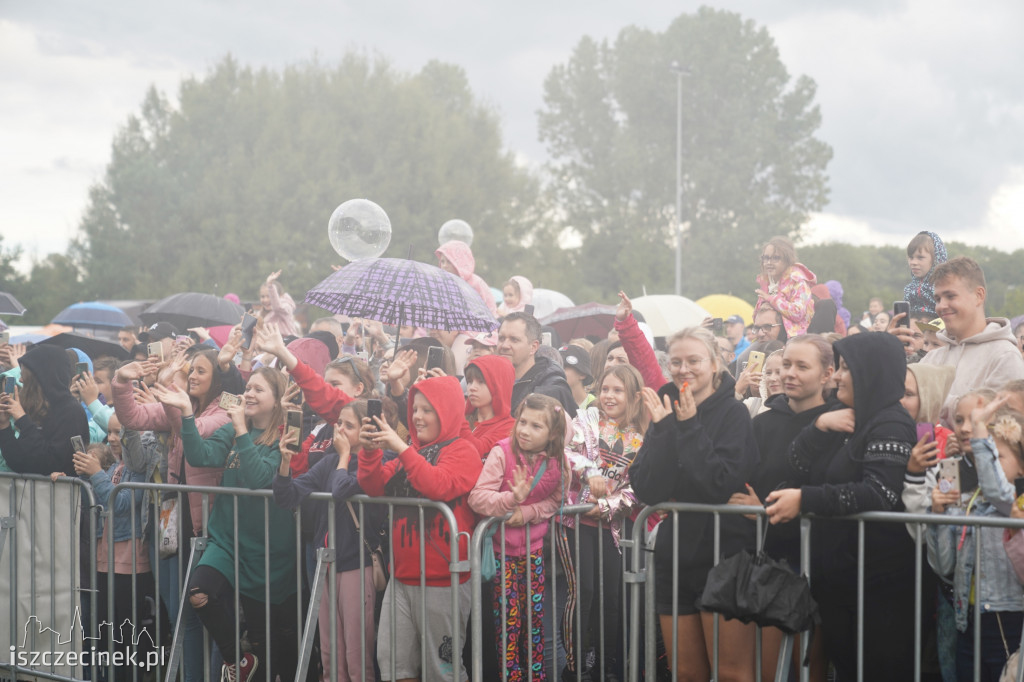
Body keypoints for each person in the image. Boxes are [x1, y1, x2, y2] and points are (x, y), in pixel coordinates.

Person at [766, 333, 918, 680]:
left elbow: (880, 493)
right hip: (839, 580)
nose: (836, 377)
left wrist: (806, 499)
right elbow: (794, 466)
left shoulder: (890, 422)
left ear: (870, 372)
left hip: (880, 584)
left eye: (846, 369)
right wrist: (817, 427)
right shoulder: (841, 413)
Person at [629, 326, 759, 682]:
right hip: (677, 556)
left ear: (716, 364)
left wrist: (687, 428)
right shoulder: (666, 409)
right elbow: (647, 488)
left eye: (694, 360)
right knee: (685, 672)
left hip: (726, 554)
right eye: (676, 362)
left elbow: (718, 484)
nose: (683, 369)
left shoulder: (733, 414)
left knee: (732, 673)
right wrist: (665, 432)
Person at [153, 369, 299, 682]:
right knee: (198, 592)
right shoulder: (235, 429)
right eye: (248, 387)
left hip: (267, 551)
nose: (249, 393)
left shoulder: (285, 436)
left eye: (259, 389)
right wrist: (188, 414)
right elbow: (199, 455)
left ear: (276, 401)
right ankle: (236, 660)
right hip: (227, 540)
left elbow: (261, 479)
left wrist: (242, 431)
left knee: (273, 646)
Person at [357, 374, 482, 682]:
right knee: (394, 667)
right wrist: (370, 450)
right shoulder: (409, 451)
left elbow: (439, 486)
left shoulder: (463, 450)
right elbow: (373, 486)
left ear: (448, 411)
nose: (417, 416)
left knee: (443, 672)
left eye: (428, 409)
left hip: (444, 579)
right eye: (415, 409)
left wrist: (402, 447)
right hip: (401, 577)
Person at [727, 335, 836, 682]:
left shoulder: (841, 422)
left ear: (827, 373)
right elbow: (744, 483)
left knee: (811, 666)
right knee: (772, 669)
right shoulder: (762, 423)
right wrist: (758, 507)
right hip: (772, 557)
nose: (789, 373)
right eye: (787, 364)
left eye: (802, 366)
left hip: (824, 560)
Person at [273, 399, 380, 682]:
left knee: (357, 657)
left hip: (356, 563)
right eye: (338, 424)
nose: (340, 430)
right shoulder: (329, 461)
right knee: (330, 655)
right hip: (325, 563)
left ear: (366, 430)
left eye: (349, 425)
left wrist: (344, 457)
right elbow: (287, 496)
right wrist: (285, 463)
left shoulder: (375, 460)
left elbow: (341, 489)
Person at [468, 394, 566, 682]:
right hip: (502, 556)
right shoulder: (502, 452)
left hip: (535, 554)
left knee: (534, 625)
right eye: (522, 421)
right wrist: (511, 499)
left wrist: (528, 512)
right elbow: (477, 497)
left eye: (536, 426)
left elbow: (557, 500)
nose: (525, 430)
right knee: (508, 628)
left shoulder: (558, 461)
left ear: (553, 434)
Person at [558, 364, 646, 682]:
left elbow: (641, 486)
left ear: (633, 396)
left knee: (611, 597)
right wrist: (591, 474)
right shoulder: (588, 419)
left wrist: (608, 506)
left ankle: (606, 664)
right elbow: (564, 452)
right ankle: (575, 662)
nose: (609, 396)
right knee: (583, 594)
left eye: (617, 390)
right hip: (576, 521)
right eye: (605, 389)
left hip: (613, 526)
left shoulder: (643, 434)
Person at [928, 398, 1024, 680]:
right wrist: (939, 514)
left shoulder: (1015, 506)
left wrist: (981, 429)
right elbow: (943, 565)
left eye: (997, 457)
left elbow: (998, 491)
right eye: (986, 456)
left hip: (1005, 618)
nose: (987, 466)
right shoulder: (970, 503)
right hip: (966, 619)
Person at [73, 414, 157, 682]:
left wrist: (96, 474)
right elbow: (96, 498)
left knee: (126, 635)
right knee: (107, 635)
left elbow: (119, 504)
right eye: (109, 432)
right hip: (103, 561)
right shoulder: (113, 467)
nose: (111, 439)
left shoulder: (137, 467)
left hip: (130, 564)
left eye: (118, 432)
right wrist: (73, 479)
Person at [896, 257, 1024, 426]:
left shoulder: (1004, 356)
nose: (941, 306)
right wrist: (889, 349)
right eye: (938, 299)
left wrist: (931, 400)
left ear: (979, 296)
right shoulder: (931, 358)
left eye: (950, 296)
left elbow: (1001, 428)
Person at [0, 344, 88, 475]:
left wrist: (22, 420)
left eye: (25, 375)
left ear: (42, 378)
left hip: (60, 493)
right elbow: (18, 462)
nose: (20, 380)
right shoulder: (39, 408)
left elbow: (49, 463)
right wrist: (4, 426)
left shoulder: (71, 412)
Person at [498, 312, 576, 416]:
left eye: (514, 340)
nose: (504, 345)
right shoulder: (487, 381)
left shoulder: (550, 389)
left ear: (533, 347)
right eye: (501, 338)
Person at [754, 236, 816, 337]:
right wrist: (763, 306)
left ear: (787, 260)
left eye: (776, 258)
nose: (769, 262)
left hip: (795, 339)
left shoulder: (799, 281)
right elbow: (756, 319)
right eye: (766, 258)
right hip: (767, 337)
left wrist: (771, 299)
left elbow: (798, 313)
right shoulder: (768, 282)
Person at [461, 354, 516, 459]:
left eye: (481, 382)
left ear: (499, 386)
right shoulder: (465, 419)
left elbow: (477, 450)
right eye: (470, 381)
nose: (472, 388)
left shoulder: (509, 427)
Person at [436, 240, 498, 317]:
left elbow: (487, 311)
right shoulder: (443, 284)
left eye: (449, 262)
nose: (445, 265)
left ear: (461, 262)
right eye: (442, 262)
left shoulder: (476, 283)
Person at [904, 231, 948, 316]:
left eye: (920, 257)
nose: (913, 262)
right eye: (911, 257)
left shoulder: (945, 287)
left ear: (936, 259)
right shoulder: (909, 290)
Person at [259, 269, 299, 337]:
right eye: (262, 296)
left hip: (288, 344)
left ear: (279, 296)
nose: (265, 300)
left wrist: (270, 286)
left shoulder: (286, 307)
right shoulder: (261, 313)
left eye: (269, 296)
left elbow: (277, 307)